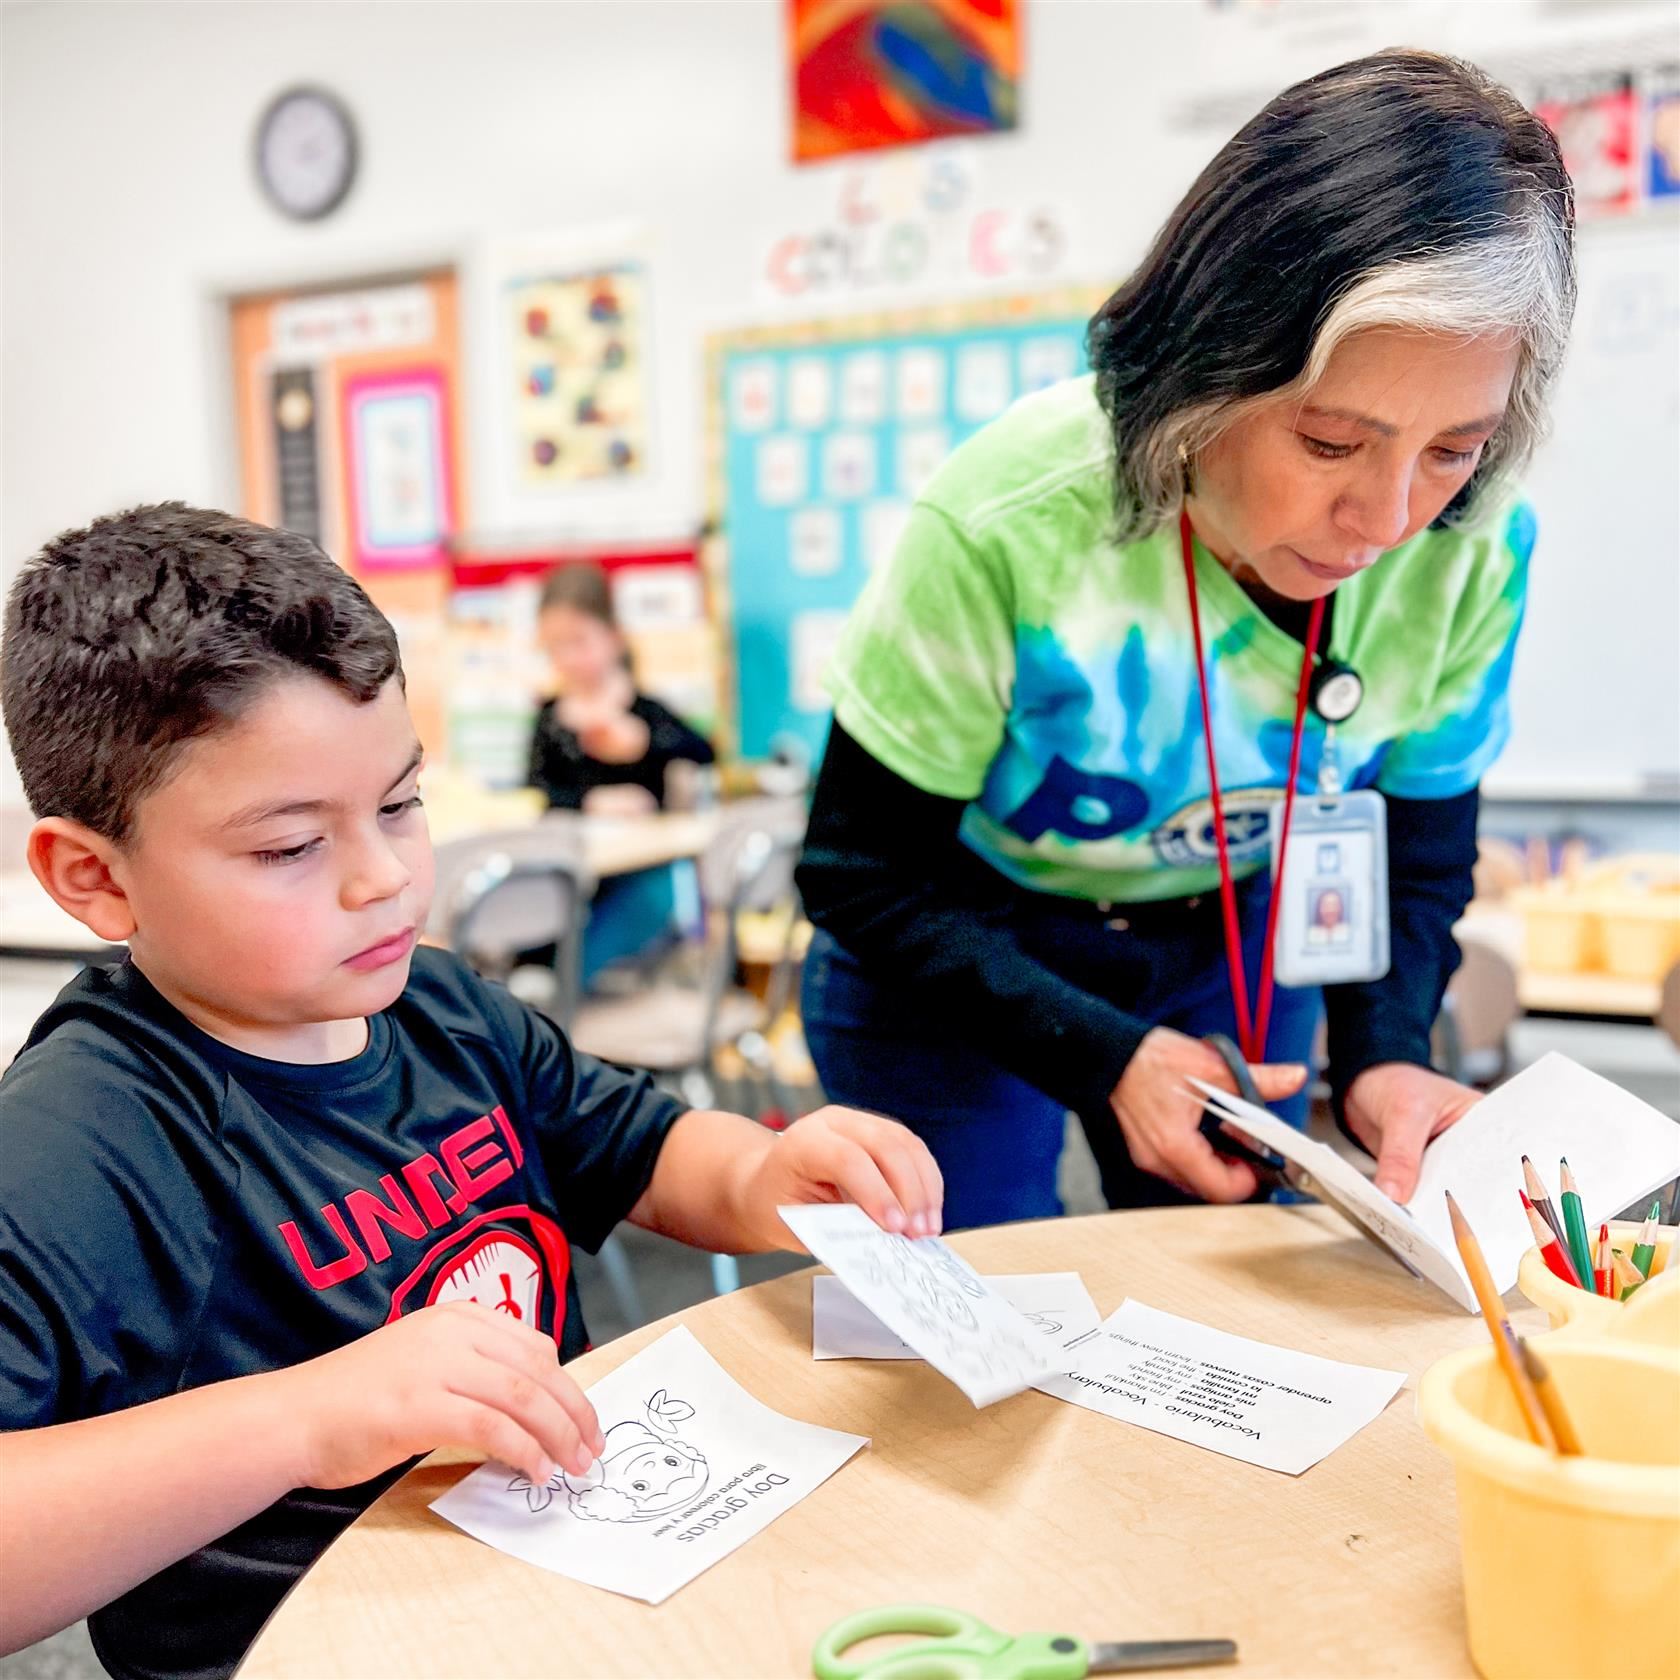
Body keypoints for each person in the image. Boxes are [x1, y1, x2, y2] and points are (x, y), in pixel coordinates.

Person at [0, 505, 941, 1678]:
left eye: (399, 804)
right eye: (292, 847)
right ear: (92, 876)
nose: (386, 877)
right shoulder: (84, 1139)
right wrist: (312, 1418)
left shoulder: (443, 1010)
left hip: (580, 1586)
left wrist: (763, 1172)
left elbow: (644, 1151)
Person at [797, 50, 1575, 1229]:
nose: (1389, 519)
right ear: (1205, 379)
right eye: (1328, 443)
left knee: (1227, 1286)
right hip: (959, 937)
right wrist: (1109, 1056)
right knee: (967, 1305)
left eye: (1453, 448)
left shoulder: (1475, 543)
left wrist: (1386, 1057)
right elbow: (860, 872)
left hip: (1227, 922)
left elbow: (1410, 856)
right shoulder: (1011, 516)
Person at [526, 562, 716, 985]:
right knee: (534, 902)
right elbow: (536, 788)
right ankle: (540, 984)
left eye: (579, 642)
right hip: (571, 870)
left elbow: (705, 752)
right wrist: (591, 802)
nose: (569, 658)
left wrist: (645, 741)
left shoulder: (647, 711)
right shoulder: (550, 719)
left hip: (637, 876)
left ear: (612, 637)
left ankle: (562, 989)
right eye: (556, 647)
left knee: (651, 896)